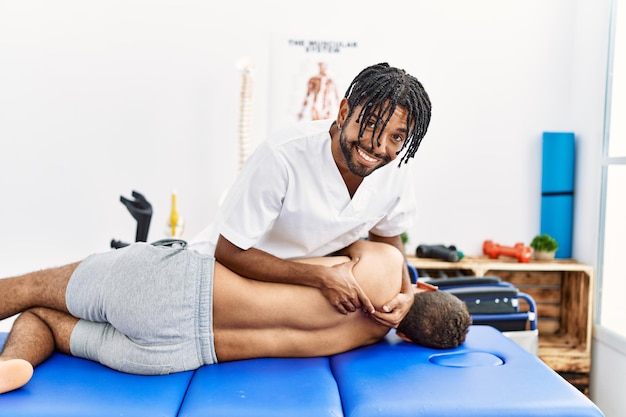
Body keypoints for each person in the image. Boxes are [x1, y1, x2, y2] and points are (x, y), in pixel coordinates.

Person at [0, 240, 471, 394]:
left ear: (425, 287)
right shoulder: (365, 343)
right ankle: (14, 364)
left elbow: (348, 237)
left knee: (28, 289)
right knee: (43, 319)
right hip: (173, 354)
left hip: (177, 287)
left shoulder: (386, 267)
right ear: (412, 342)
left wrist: (404, 280)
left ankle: (14, 358)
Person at [190, 62, 432, 329]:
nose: (378, 146)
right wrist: (320, 276)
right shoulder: (282, 156)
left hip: (299, 283)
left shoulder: (394, 171)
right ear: (343, 113)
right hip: (225, 275)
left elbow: (387, 242)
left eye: (397, 137)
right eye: (371, 122)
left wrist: (406, 291)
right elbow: (229, 251)